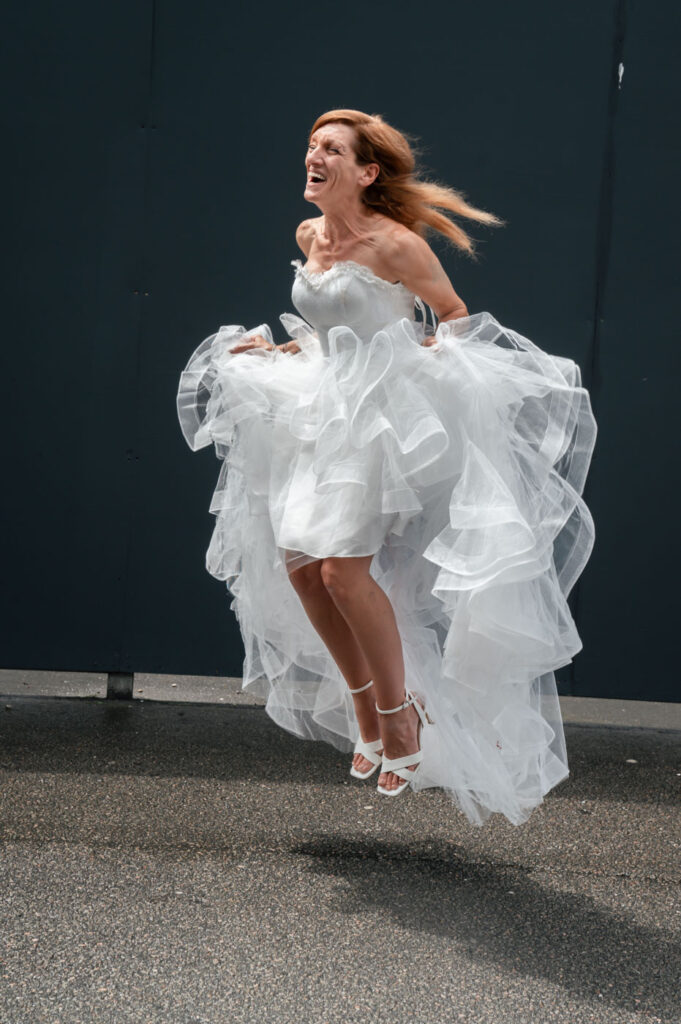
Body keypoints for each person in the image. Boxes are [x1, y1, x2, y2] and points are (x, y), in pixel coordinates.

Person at [177, 108, 597, 827]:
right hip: (317, 412)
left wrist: (428, 376)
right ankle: (366, 707)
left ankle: (400, 717)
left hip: (379, 424)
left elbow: (454, 316)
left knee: (342, 570)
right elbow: (331, 333)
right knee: (302, 568)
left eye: (331, 148)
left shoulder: (396, 244)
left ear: (366, 172)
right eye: (311, 145)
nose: (314, 156)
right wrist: (281, 353)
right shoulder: (309, 235)